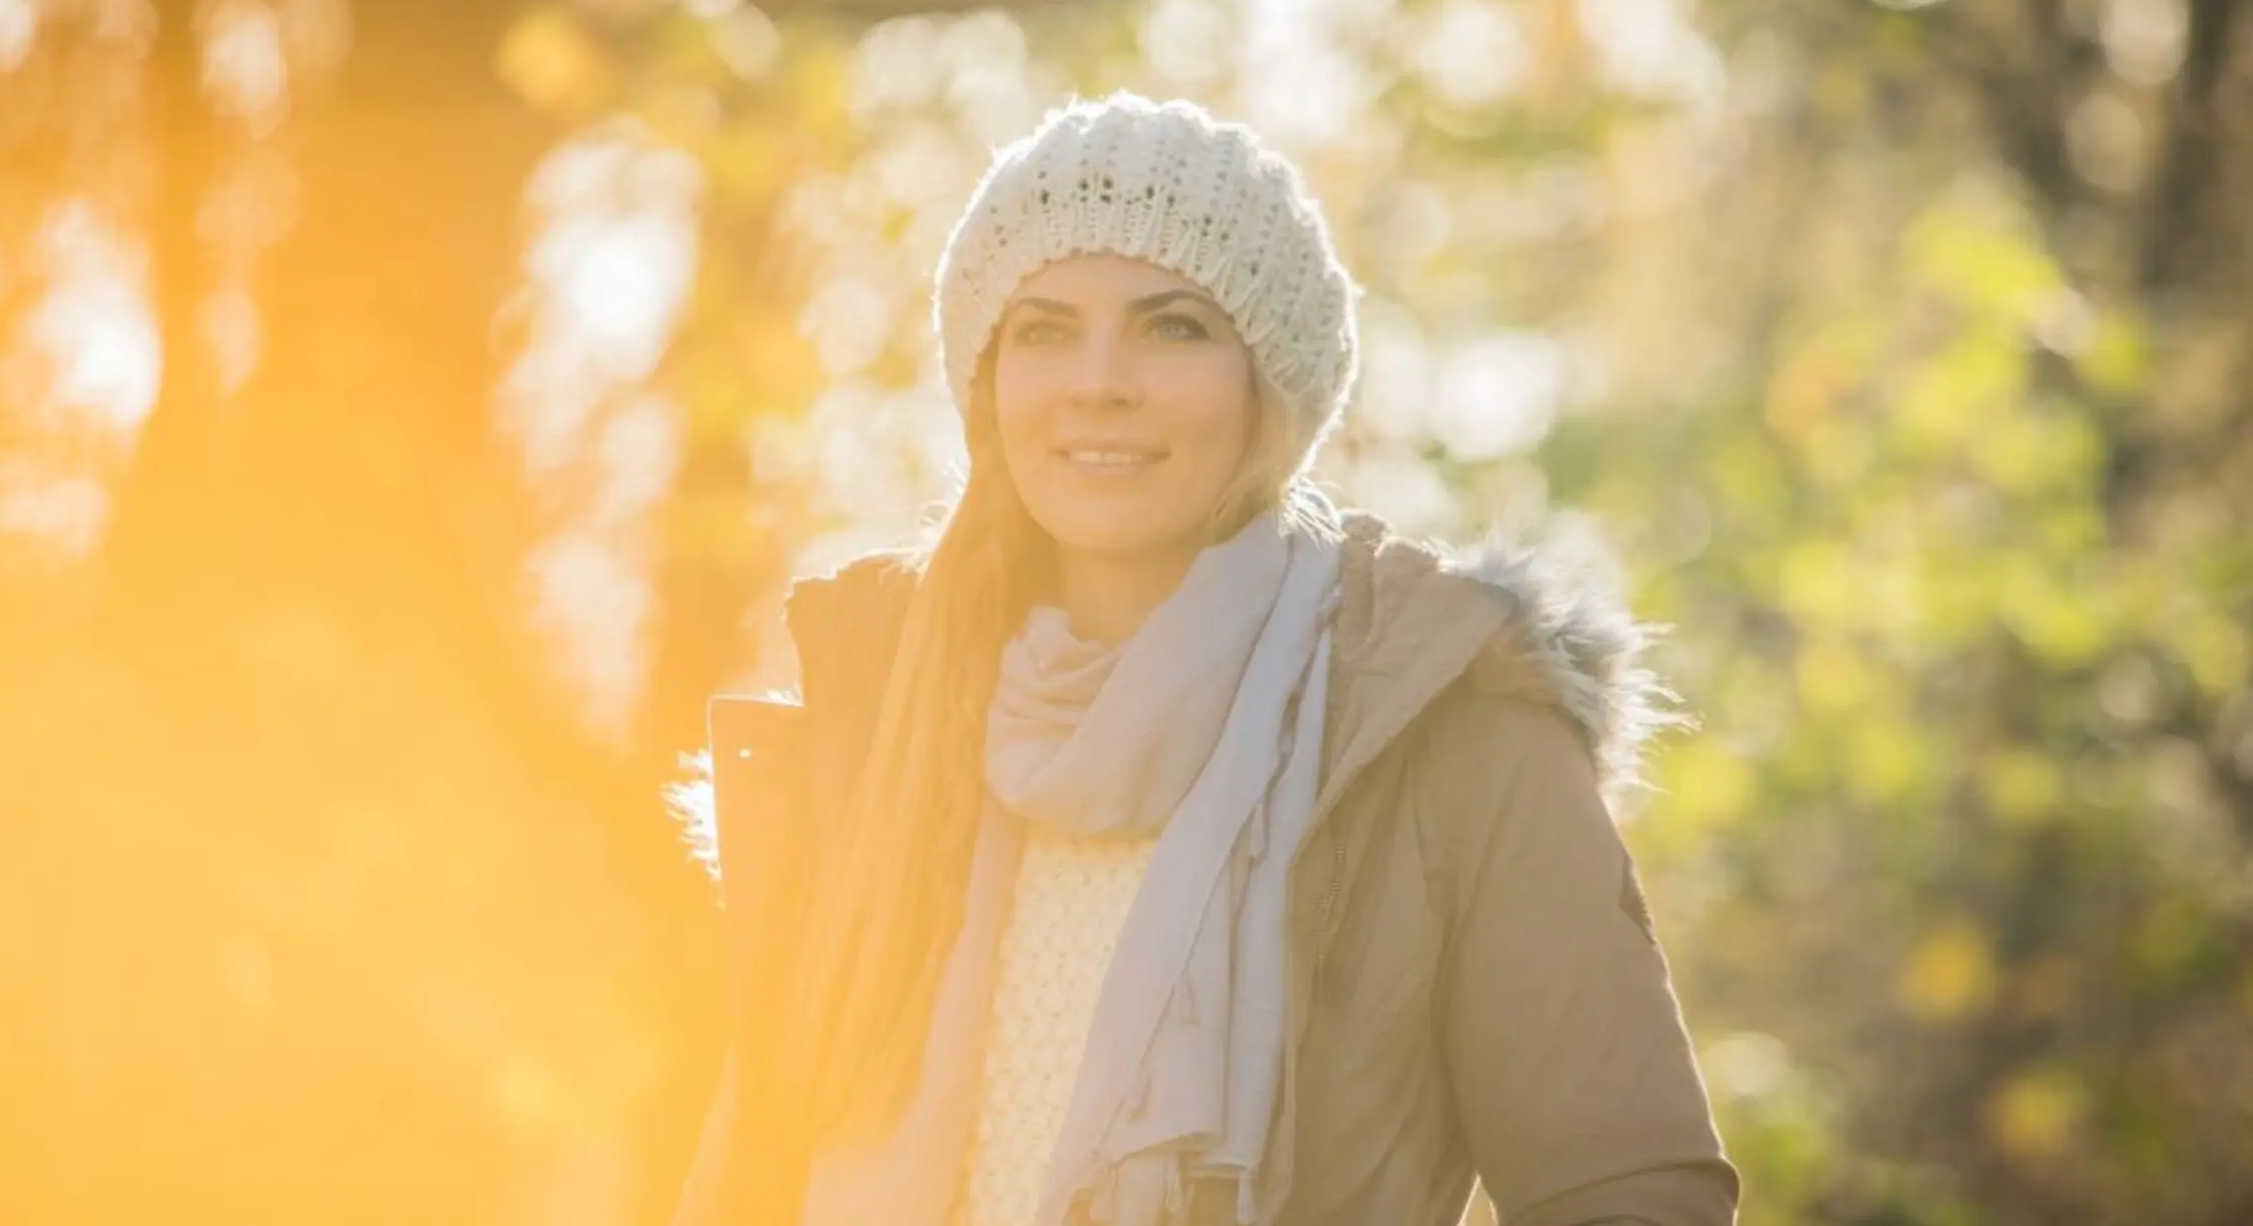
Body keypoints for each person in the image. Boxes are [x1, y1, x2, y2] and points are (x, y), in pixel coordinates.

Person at [669, 95, 1738, 1226]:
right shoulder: (882, 731)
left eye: (1170, 325)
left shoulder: (1442, 726)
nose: (1097, 381)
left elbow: (1629, 1193)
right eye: (1040, 330)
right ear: (987, 388)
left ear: (1264, 384)